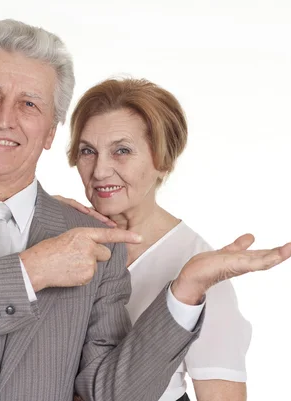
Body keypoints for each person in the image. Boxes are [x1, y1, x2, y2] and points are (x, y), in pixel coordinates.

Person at [0, 19, 291, 401]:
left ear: (50, 132)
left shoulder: (96, 245)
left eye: (29, 103)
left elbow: (105, 392)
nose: (4, 118)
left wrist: (186, 287)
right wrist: (31, 270)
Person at [57, 78, 249, 401]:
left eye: (122, 151)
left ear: (163, 162)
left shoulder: (199, 271)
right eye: (88, 151)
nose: (100, 170)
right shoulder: (55, 241)